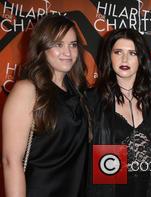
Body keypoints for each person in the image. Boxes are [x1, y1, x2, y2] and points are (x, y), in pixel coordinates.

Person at [2, 15, 90, 197]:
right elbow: (11, 161)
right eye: (58, 44)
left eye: (73, 45)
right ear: (42, 47)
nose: (68, 52)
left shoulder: (78, 93)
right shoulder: (27, 90)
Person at [87, 28, 151, 197]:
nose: (125, 59)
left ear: (141, 59)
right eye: (118, 52)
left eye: (132, 53)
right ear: (109, 57)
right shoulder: (94, 100)